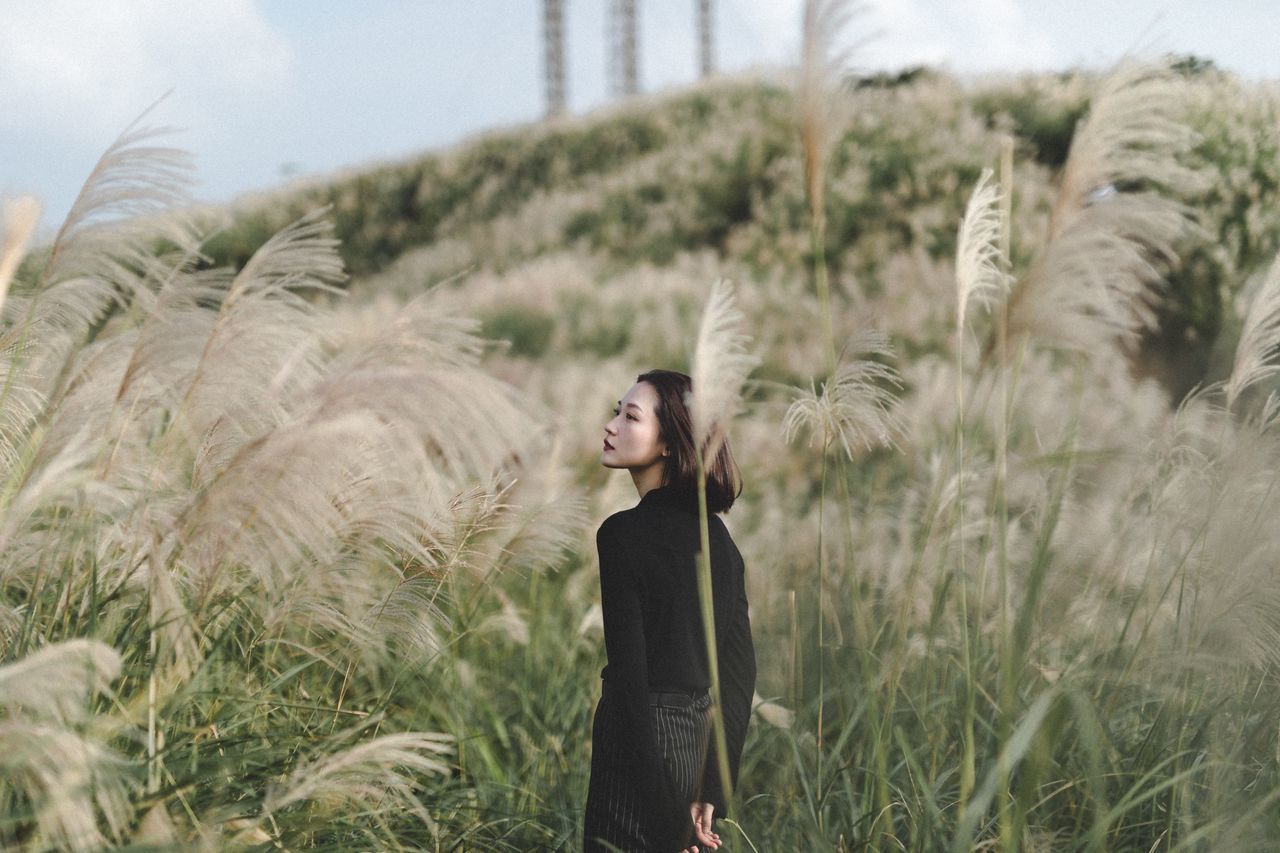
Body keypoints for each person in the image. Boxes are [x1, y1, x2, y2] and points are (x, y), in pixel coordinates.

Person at [583, 369, 757, 853]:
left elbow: (631, 683)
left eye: (630, 416)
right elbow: (740, 675)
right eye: (616, 412)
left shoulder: (621, 535)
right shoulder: (721, 542)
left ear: (667, 443)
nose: (612, 425)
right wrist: (713, 790)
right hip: (693, 743)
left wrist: (664, 822)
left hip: (635, 748)